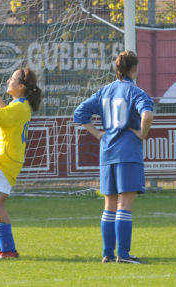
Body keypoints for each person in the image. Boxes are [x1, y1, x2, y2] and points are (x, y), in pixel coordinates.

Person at [72, 50, 154, 264]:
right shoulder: (137, 92)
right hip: (128, 153)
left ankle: (108, 254)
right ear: (134, 68)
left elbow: (79, 114)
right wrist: (142, 134)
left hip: (107, 153)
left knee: (109, 205)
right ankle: (124, 255)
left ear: (117, 69)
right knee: (124, 205)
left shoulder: (104, 91)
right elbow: (147, 114)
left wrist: (99, 134)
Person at [0, 67, 42, 259]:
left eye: (13, 78)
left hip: (7, 161)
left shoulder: (19, 107)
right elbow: (4, 112)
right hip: (2, 160)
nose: (8, 81)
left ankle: (8, 250)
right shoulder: (18, 104)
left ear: (21, 86)